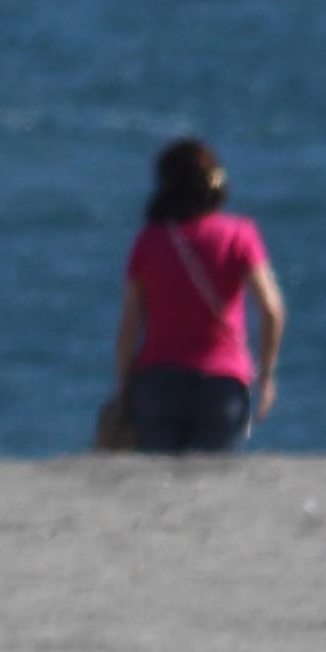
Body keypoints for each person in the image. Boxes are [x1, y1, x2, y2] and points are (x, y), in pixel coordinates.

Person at [110, 138, 283, 455]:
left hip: (158, 381)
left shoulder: (149, 241)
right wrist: (267, 375)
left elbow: (129, 327)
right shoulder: (239, 235)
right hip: (223, 382)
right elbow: (271, 310)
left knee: (156, 483)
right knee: (212, 486)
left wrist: (123, 387)